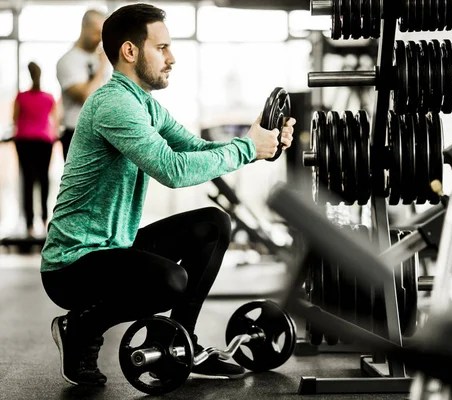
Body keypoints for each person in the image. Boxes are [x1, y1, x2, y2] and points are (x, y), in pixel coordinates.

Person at [40, 3, 296, 387]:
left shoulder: (145, 105)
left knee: (214, 224)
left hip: (115, 249)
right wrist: (247, 149)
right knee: (170, 281)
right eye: (162, 48)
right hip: (73, 266)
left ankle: (180, 343)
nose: (171, 58)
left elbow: (194, 149)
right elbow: (172, 170)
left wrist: (259, 142)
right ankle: (80, 327)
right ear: (130, 51)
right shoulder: (113, 103)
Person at [12, 62, 60, 237]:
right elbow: (55, 119)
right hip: (44, 142)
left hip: (24, 141)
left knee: (28, 181)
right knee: (44, 179)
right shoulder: (49, 97)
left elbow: (15, 118)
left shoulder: (21, 97)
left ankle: (30, 224)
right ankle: (46, 219)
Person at [56, 9, 110, 160]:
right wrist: (101, 68)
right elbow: (86, 97)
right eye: (96, 31)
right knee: (80, 184)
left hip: (101, 132)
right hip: (76, 133)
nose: (100, 38)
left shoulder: (101, 57)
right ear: (84, 27)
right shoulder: (68, 60)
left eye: (102, 32)